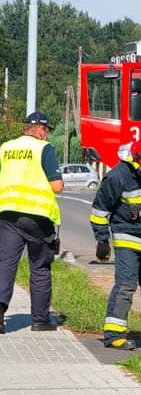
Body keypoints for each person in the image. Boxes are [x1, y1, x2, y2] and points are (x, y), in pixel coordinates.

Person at [90, 134, 141, 350]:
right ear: (138, 159)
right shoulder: (118, 176)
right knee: (126, 286)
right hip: (127, 238)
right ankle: (114, 335)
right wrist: (102, 240)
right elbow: (99, 211)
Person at [0, 112, 64, 334]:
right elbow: (56, 186)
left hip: (7, 214)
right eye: (46, 131)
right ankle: (39, 320)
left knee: (6, 265)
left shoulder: (6, 148)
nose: (46, 135)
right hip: (36, 217)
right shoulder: (43, 149)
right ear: (38, 129)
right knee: (39, 266)